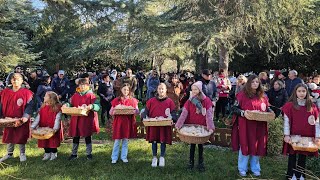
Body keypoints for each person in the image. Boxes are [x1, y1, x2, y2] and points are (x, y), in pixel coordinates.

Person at [231, 75, 273, 177]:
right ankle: (242, 168)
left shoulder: (263, 96)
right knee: (245, 145)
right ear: (249, 83)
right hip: (246, 125)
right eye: (253, 82)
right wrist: (243, 113)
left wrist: (271, 112)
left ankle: (255, 168)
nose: (255, 84)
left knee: (257, 145)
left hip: (259, 125)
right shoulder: (241, 95)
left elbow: (267, 108)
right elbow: (234, 108)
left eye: (257, 82)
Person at [282, 83, 320, 180]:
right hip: (293, 136)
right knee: (292, 156)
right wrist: (286, 134)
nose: (301, 93)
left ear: (307, 92)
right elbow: (287, 121)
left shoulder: (312, 106)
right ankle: (291, 174)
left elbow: (317, 122)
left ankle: (300, 174)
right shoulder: (290, 106)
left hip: (307, 136)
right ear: (295, 92)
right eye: (299, 91)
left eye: (303, 91)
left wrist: (317, 136)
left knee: (303, 156)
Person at [175, 81, 215, 172]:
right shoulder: (189, 101)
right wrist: (178, 125)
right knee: (192, 145)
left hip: (202, 127)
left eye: (195, 89)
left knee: (200, 145)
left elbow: (209, 115)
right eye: (192, 89)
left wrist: (210, 127)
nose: (193, 91)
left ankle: (201, 163)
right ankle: (191, 162)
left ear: (200, 90)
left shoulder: (206, 101)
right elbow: (184, 114)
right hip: (192, 126)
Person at [63, 78, 100, 160]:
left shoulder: (91, 95)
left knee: (87, 135)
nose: (82, 87)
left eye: (84, 85)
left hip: (87, 119)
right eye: (80, 85)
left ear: (87, 86)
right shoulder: (75, 95)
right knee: (76, 136)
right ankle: (74, 153)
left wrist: (91, 106)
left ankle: (89, 154)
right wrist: (67, 105)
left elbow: (97, 106)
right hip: (76, 118)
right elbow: (70, 103)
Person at [141, 83, 177, 167]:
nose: (161, 91)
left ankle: (162, 157)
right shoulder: (151, 101)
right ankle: (154, 157)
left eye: (162, 89)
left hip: (164, 125)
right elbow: (146, 110)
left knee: (162, 140)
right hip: (154, 124)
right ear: (157, 90)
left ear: (166, 90)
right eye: (159, 89)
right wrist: (144, 116)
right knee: (154, 140)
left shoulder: (169, 102)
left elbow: (173, 112)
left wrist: (173, 118)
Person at [0, 73, 34, 162]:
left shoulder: (26, 93)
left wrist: (25, 116)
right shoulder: (5, 92)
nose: (15, 81)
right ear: (11, 80)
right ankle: (9, 153)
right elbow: (1, 105)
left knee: (21, 136)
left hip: (21, 119)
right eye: (14, 79)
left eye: (18, 79)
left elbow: (29, 106)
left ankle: (22, 153)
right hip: (8, 119)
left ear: (22, 81)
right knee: (9, 135)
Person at [109, 83, 139, 164]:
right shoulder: (117, 100)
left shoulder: (132, 100)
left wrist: (134, 110)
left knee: (125, 140)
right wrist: (116, 109)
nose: (125, 91)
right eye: (124, 89)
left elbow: (137, 112)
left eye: (127, 90)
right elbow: (111, 112)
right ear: (121, 90)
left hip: (128, 123)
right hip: (119, 123)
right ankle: (114, 157)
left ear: (129, 91)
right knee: (117, 140)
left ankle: (124, 157)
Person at [31, 91, 63, 161]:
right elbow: (38, 118)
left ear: (51, 98)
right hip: (43, 127)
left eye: (45, 96)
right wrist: (32, 127)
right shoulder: (43, 107)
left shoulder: (57, 107)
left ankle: (54, 154)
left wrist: (55, 129)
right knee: (44, 141)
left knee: (52, 142)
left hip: (52, 128)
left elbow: (57, 119)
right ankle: (47, 153)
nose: (44, 97)